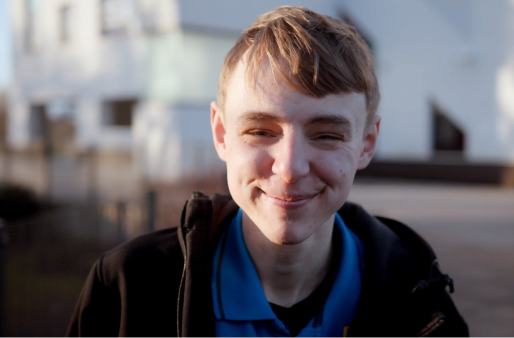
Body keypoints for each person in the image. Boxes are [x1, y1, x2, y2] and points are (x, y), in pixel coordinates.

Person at [67, 6, 468, 338]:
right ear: (222, 134)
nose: (290, 168)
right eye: (260, 131)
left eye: (326, 134)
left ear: (366, 142)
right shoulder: (126, 289)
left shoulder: (420, 301)